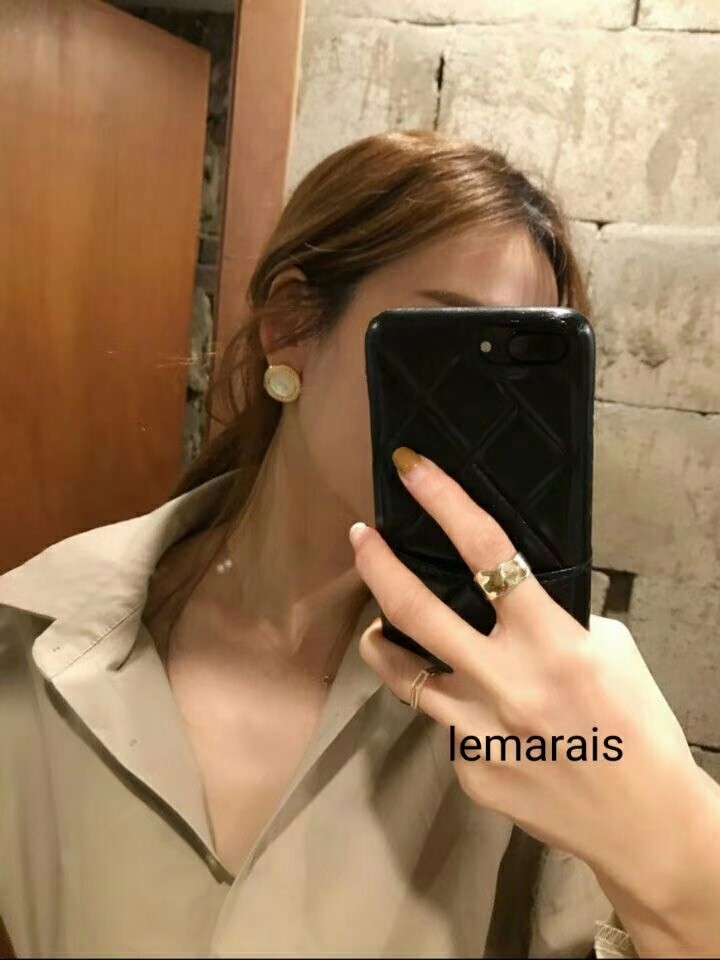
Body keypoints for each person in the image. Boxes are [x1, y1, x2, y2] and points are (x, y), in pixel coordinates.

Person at [1, 131, 718, 959]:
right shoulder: (30, 640)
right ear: (290, 326)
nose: (481, 422)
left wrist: (666, 840)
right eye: (447, 351)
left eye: (517, 388)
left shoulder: (530, 699)